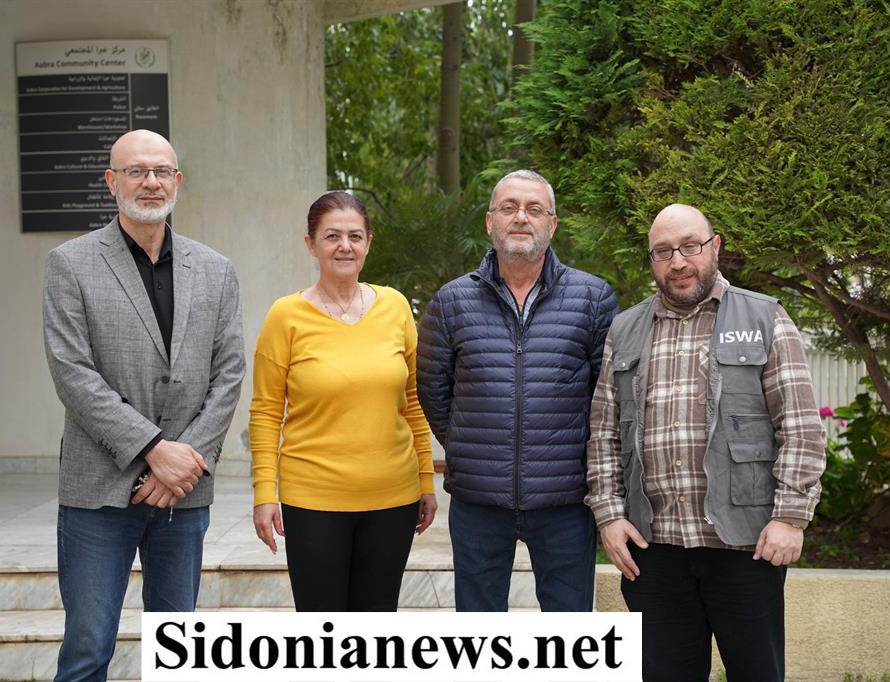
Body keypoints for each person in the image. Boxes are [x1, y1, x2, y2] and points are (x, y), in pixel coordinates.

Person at [585, 203, 826, 681]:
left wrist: (790, 517)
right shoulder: (625, 329)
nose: (678, 261)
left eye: (690, 247)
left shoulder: (765, 317)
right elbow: (604, 433)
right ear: (652, 260)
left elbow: (800, 425)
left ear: (714, 247)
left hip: (746, 545)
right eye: (663, 252)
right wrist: (609, 516)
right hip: (654, 551)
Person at [43, 129, 245, 681]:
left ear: (177, 181)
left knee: (177, 651)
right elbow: (71, 371)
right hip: (98, 490)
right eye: (136, 171)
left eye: (161, 171)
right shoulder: (71, 263)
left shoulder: (215, 269)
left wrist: (185, 462)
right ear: (112, 182)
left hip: (184, 491)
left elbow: (229, 374)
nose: (150, 182)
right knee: (88, 649)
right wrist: (155, 451)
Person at [417, 170, 619, 612]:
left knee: (569, 627)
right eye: (509, 208)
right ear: (490, 222)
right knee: (479, 627)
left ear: (552, 224)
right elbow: (433, 387)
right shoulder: (452, 301)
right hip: (478, 499)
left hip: (565, 498)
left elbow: (605, 396)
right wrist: (470, 445)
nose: (521, 217)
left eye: (534, 209)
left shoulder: (593, 298)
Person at [249, 190, 437, 611]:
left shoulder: (395, 306)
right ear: (311, 244)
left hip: (393, 499)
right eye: (331, 236)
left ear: (368, 242)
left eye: (355, 236)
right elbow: (265, 412)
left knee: (376, 625)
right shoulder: (285, 316)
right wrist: (264, 493)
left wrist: (425, 480)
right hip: (312, 500)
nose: (344, 246)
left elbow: (414, 401)